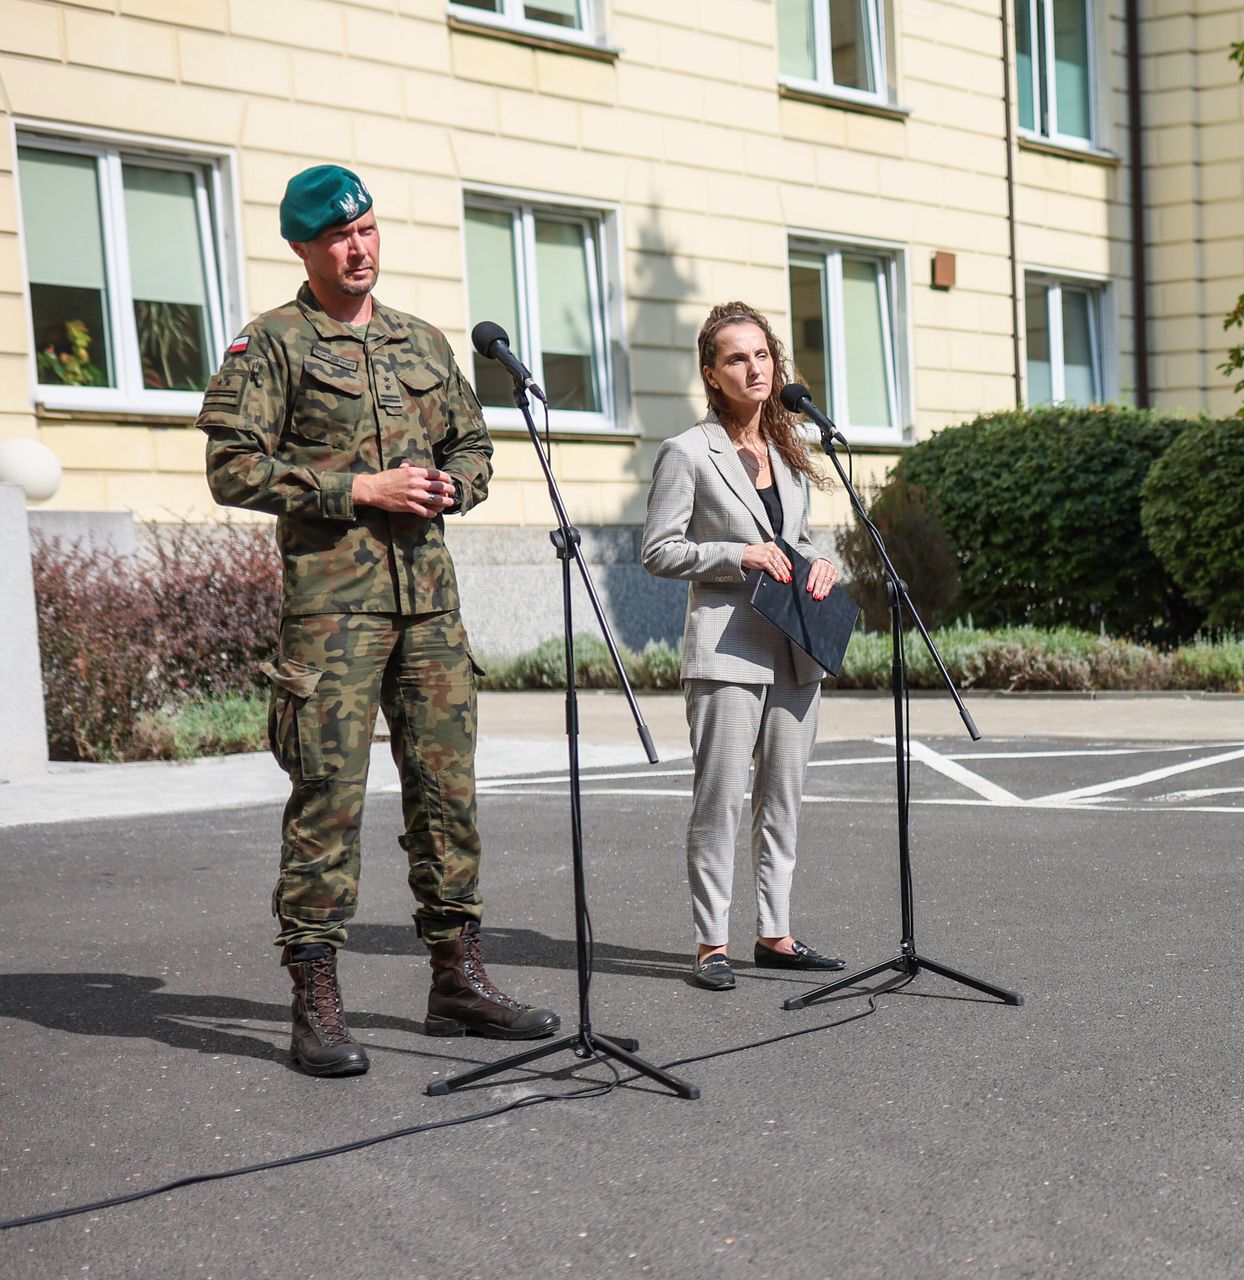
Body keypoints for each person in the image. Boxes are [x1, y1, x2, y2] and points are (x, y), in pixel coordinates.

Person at [198, 164, 558, 1077]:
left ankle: (457, 977)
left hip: (429, 605)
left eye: (366, 231)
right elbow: (232, 468)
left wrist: (451, 487)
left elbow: (472, 447)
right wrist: (360, 487)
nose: (357, 249)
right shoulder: (272, 344)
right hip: (333, 614)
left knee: (449, 795)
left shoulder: (423, 342)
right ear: (303, 250)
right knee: (328, 800)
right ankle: (316, 999)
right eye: (337, 239)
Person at [642, 302, 849, 991]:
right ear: (711, 372)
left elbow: (800, 538)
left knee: (782, 799)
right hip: (727, 650)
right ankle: (711, 943)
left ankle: (776, 934)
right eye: (736, 358)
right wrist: (740, 555)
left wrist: (821, 562)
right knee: (721, 799)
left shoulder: (793, 450)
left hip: (796, 647)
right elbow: (660, 551)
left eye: (761, 355)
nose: (753, 368)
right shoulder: (687, 452)